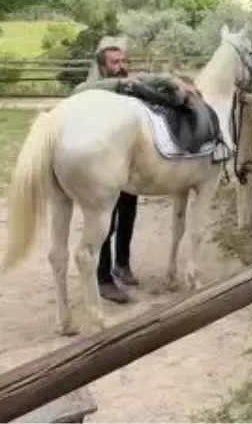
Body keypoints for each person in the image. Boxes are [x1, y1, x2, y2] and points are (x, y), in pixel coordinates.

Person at [86, 39, 142, 304]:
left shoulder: (129, 90)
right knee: (104, 221)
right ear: (102, 66)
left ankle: (123, 263)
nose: (121, 67)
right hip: (104, 167)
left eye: (124, 61)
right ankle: (103, 278)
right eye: (115, 63)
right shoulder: (93, 92)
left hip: (128, 166)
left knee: (128, 214)